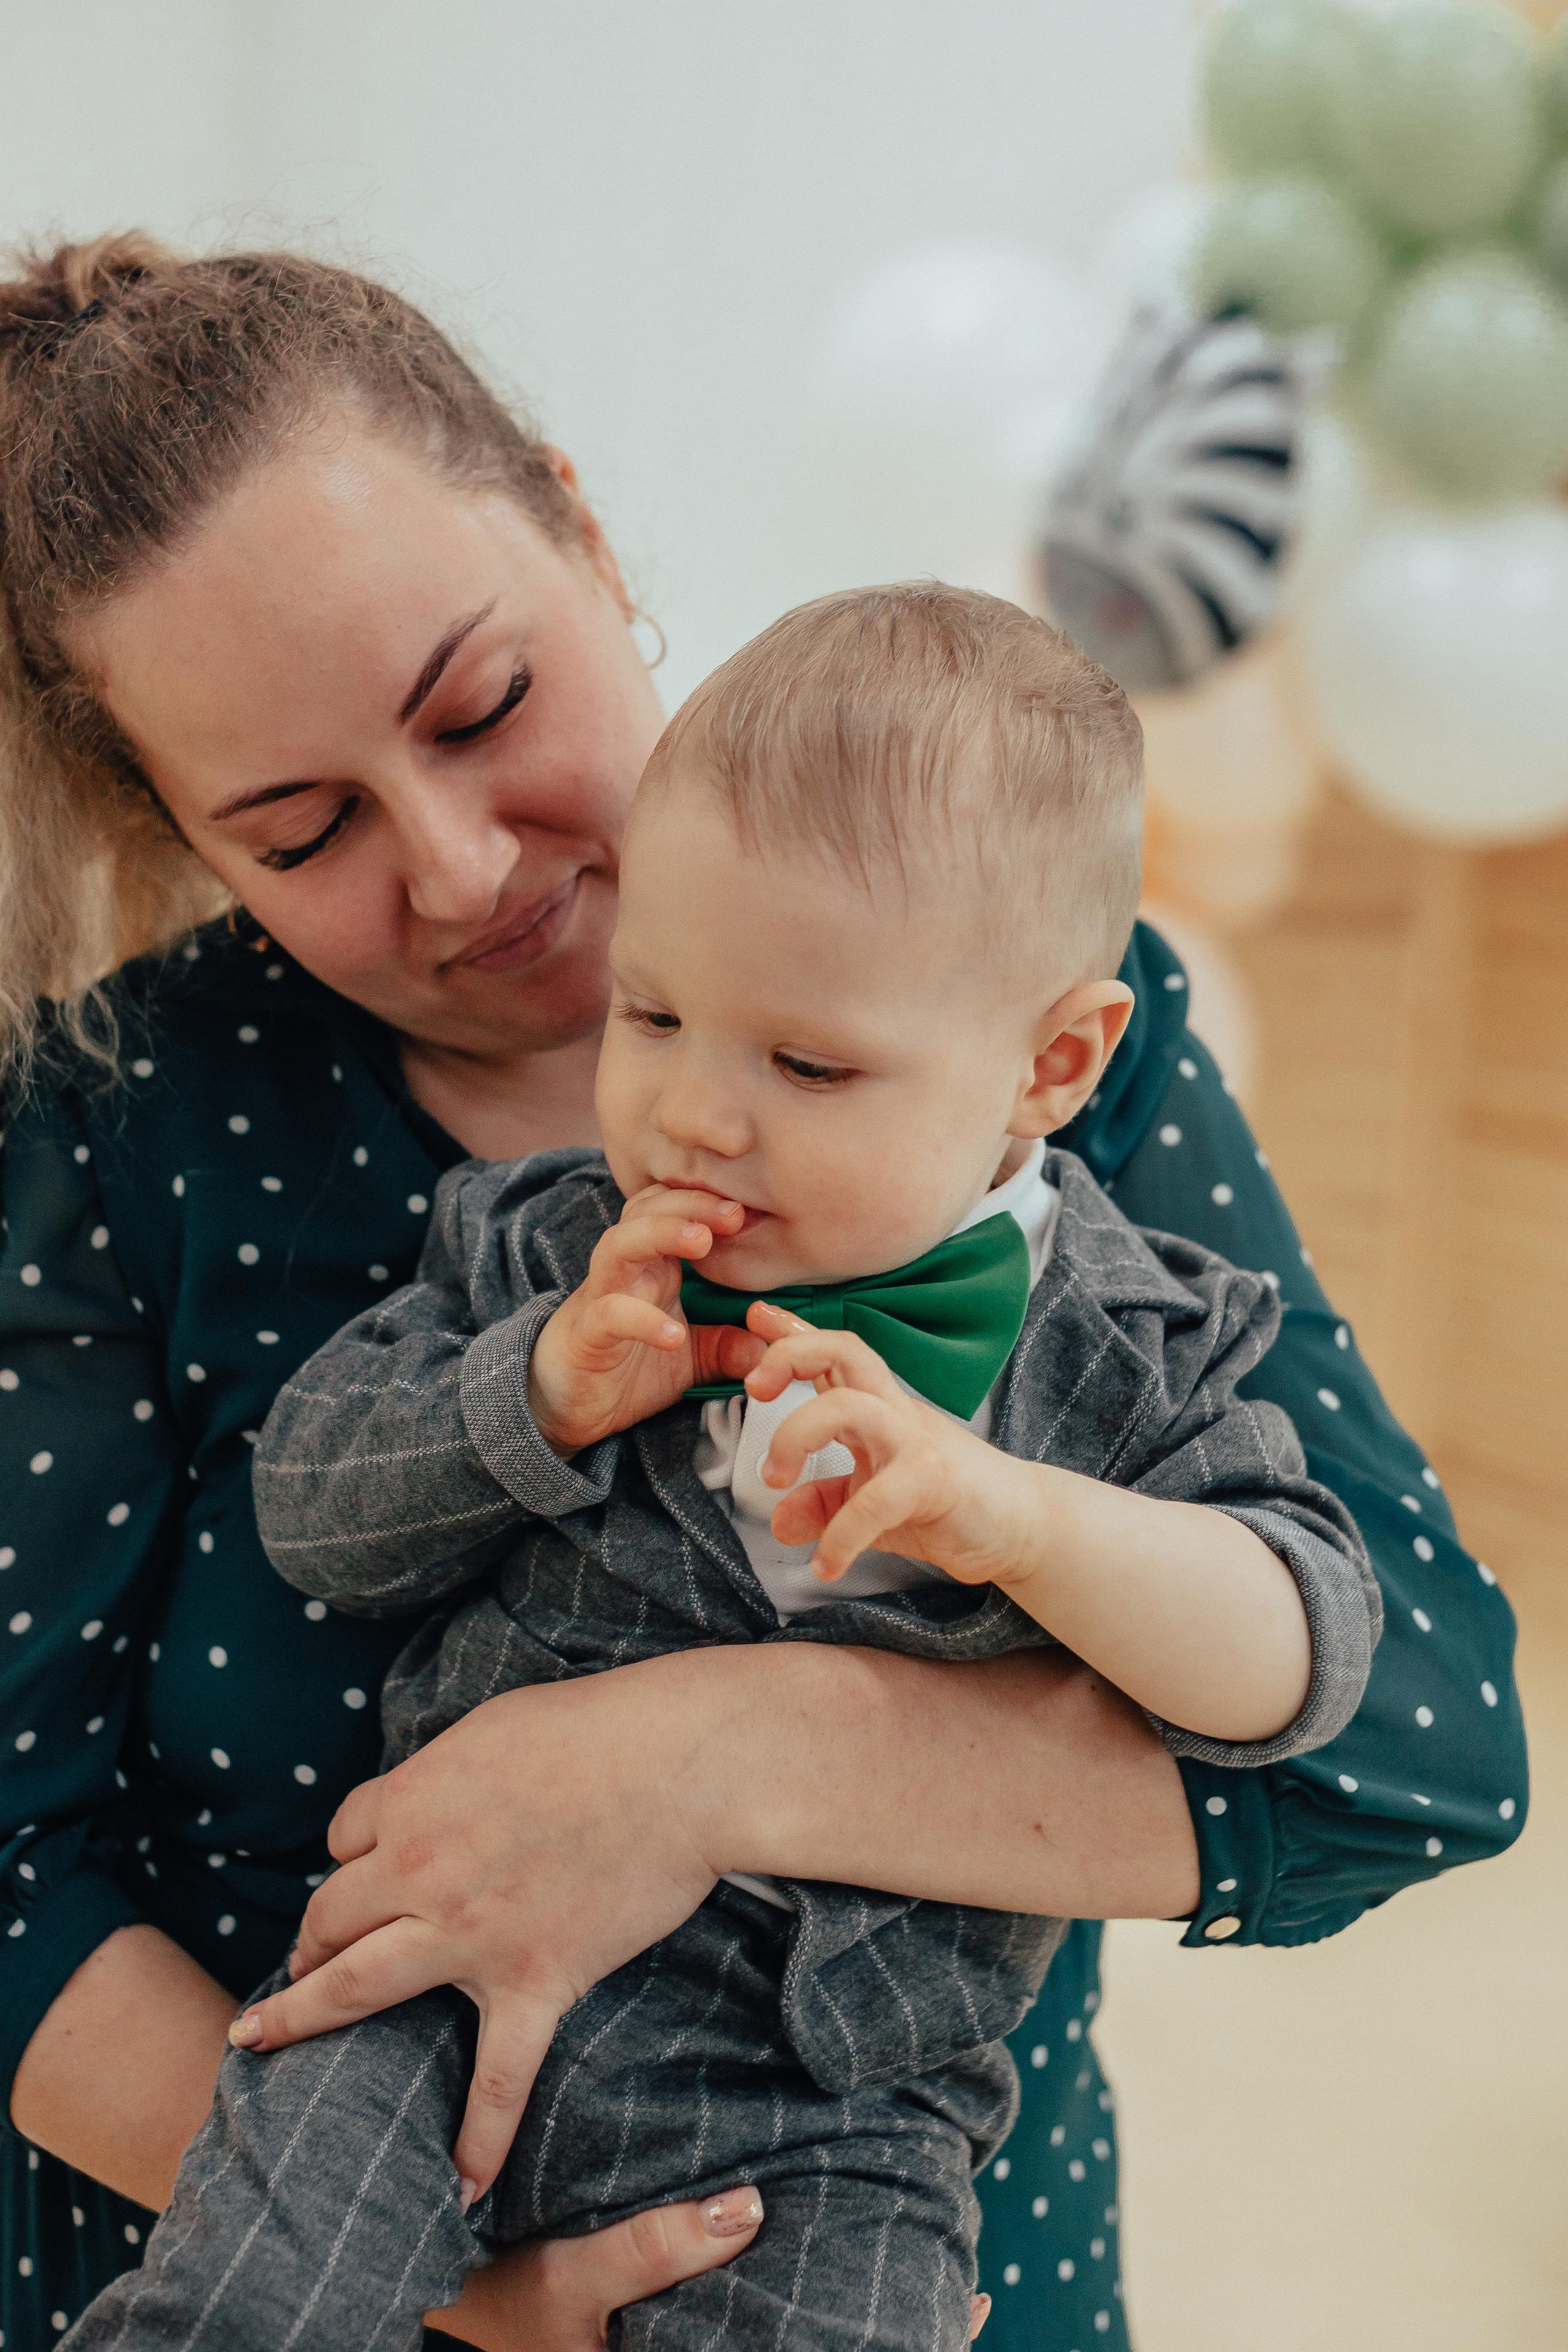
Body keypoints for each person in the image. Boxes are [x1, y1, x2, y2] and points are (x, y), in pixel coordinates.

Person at [0, 236, 1525, 2352]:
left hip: (857, 2193)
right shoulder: (126, 1122)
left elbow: (1415, 1743)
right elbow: (10, 1862)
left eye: (484, 704)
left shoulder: (1024, 1049)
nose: (457, 868)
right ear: (174, 825)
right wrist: (476, 2298)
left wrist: (727, 1751)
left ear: (579, 519)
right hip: (287, 2215)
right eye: (296, 827)